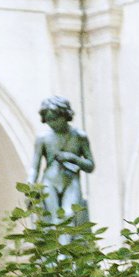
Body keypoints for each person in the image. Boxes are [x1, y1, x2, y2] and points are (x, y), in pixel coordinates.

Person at [31, 96, 94, 225]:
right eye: (48, 120)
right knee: (53, 220)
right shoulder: (43, 138)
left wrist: (73, 158)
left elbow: (90, 165)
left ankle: (66, 244)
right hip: (49, 182)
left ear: (65, 115)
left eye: (55, 119)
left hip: (71, 181)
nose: (52, 123)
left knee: (69, 216)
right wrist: (30, 184)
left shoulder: (79, 136)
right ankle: (60, 245)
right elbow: (34, 167)